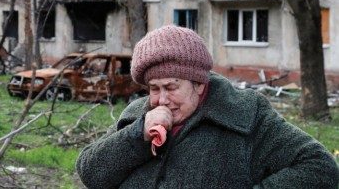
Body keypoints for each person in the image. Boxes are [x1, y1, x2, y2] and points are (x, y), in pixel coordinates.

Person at [76, 25, 339, 188]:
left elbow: (319, 168)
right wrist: (138, 136)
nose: (161, 100)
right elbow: (90, 173)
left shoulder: (244, 114)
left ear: (199, 84)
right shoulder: (137, 115)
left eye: (171, 87)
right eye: (154, 89)